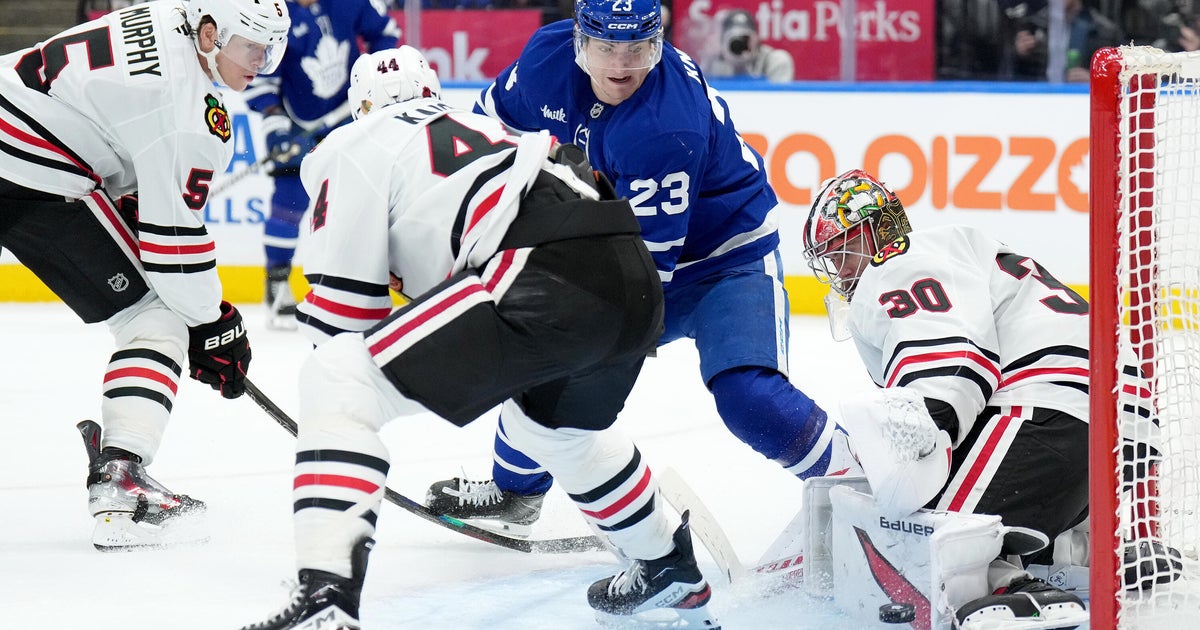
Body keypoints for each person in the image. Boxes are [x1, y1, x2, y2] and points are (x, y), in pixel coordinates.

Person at [239, 46, 718, 629]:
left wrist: (339, 440)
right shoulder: (482, 126)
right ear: (431, 93)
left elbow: (342, 321)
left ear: (360, 105)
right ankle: (668, 567)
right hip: (629, 274)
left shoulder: (351, 144)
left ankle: (326, 599)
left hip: (544, 271)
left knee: (336, 381)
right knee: (554, 433)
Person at [423, 0, 856, 537]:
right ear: (579, 40)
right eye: (606, 46)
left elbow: (642, 276)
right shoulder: (544, 61)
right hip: (628, 239)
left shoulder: (664, 129)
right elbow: (487, 140)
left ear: (660, 42)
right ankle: (516, 494)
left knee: (748, 396)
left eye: (638, 49)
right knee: (547, 350)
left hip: (727, 260)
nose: (620, 65)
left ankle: (864, 486)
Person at [0, 0, 284, 549]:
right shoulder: (190, 114)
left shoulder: (167, 12)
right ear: (209, 33)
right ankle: (122, 479)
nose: (262, 61)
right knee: (156, 317)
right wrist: (212, 324)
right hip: (26, 167)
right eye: (252, 46)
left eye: (272, 48)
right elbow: (173, 251)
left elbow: (109, 117)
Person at [801, 169, 1089, 626]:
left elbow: (954, 367)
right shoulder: (953, 249)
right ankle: (1076, 555)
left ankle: (1000, 583)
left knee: (917, 537)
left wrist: (910, 455)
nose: (840, 272)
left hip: (1051, 415)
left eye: (841, 253)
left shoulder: (897, 262)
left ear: (874, 231)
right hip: (1113, 430)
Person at [244, 0, 399, 330]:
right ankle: (277, 282)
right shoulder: (274, 12)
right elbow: (259, 73)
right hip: (296, 119)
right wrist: (275, 120)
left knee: (360, 198)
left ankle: (354, 285)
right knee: (290, 198)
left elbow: (384, 33)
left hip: (350, 113)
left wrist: (373, 78)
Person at [1008, 0, 1123, 82]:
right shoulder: (1031, 25)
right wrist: (1018, 56)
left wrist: (1095, 81)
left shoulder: (1105, 31)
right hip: (1039, 100)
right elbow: (1005, 78)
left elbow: (1122, 78)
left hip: (1084, 103)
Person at [701, 9, 794, 82]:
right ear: (722, 41)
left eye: (745, 38)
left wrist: (743, 68)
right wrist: (709, 60)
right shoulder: (715, 62)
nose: (739, 44)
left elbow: (779, 99)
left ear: (756, 38)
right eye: (733, 39)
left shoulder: (773, 61)